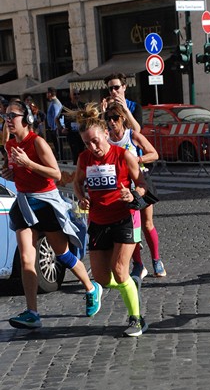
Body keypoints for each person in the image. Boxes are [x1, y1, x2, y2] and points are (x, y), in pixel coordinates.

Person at [2, 98, 102, 329]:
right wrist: (10, 174)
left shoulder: (37, 143)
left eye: (12, 116)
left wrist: (28, 163)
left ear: (26, 119)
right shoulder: (8, 146)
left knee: (62, 254)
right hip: (24, 203)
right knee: (27, 258)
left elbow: (55, 174)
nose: (8, 121)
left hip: (45, 202)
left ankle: (90, 287)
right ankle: (32, 312)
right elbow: (19, 174)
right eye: (5, 117)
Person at [71, 102, 149, 337]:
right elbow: (76, 182)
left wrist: (133, 194)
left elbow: (143, 186)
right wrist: (81, 197)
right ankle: (129, 286)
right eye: (87, 142)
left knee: (119, 269)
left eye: (95, 140)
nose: (92, 146)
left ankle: (137, 319)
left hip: (124, 218)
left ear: (106, 133)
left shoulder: (123, 155)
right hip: (97, 221)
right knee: (103, 278)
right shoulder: (84, 159)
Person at [105, 100, 166, 279]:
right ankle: (138, 265)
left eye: (115, 118)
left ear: (122, 118)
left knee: (147, 224)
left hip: (140, 182)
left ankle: (156, 260)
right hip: (122, 188)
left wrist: (136, 159)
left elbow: (154, 153)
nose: (112, 122)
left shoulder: (132, 135)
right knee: (132, 228)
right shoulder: (106, 139)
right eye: (108, 118)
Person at [57, 89, 86, 164]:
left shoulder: (83, 105)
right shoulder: (66, 106)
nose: (76, 96)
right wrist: (62, 129)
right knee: (75, 152)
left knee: (82, 152)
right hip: (71, 133)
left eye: (78, 94)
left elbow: (88, 117)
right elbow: (56, 118)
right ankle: (76, 170)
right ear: (70, 95)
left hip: (81, 133)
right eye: (74, 94)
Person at [46, 87, 63, 160]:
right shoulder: (53, 102)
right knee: (57, 144)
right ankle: (60, 156)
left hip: (55, 128)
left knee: (58, 145)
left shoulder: (55, 103)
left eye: (47, 93)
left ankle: (60, 157)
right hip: (54, 127)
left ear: (50, 93)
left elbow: (56, 116)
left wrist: (54, 127)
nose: (46, 95)